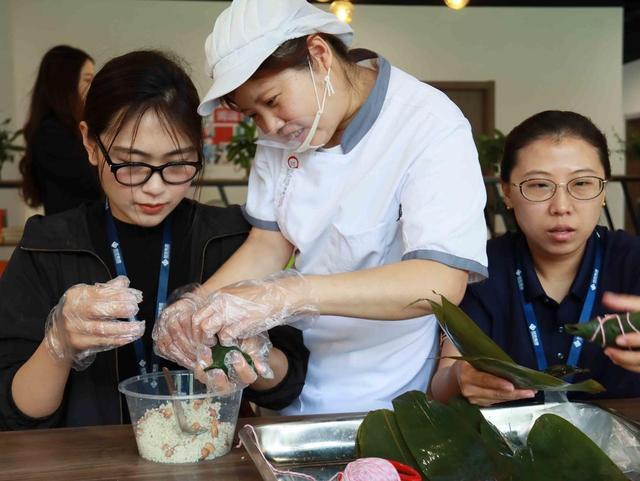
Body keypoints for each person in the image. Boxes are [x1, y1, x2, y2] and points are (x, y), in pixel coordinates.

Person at [154, 0, 488, 416]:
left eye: (273, 101)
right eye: (253, 115)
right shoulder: (286, 136)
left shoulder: (429, 124)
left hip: (386, 396)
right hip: (290, 380)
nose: (270, 127)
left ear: (319, 55)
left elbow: (438, 283)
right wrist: (196, 306)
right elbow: (268, 244)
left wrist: (290, 293)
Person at [0, 50, 308, 430]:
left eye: (179, 163)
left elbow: (287, 383)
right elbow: (14, 412)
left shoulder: (233, 240)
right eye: (132, 164)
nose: (155, 188)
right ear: (92, 145)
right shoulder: (46, 246)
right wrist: (58, 344)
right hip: (88, 463)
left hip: (209, 457)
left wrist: (259, 356)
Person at [431, 110, 640, 407]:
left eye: (581, 184)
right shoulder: (481, 268)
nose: (561, 207)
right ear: (506, 193)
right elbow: (440, 384)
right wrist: (458, 379)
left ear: (603, 189)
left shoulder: (633, 260)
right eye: (539, 185)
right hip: (511, 448)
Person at [19, 45, 102, 215]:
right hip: (71, 235)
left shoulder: (68, 130)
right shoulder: (51, 134)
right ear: (65, 85)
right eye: (88, 80)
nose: (94, 88)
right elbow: (96, 185)